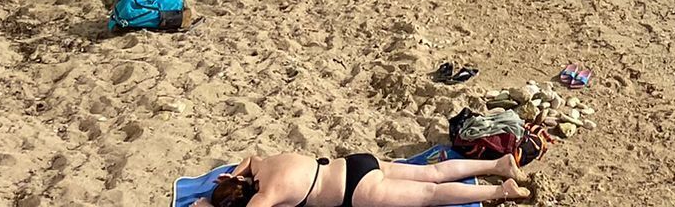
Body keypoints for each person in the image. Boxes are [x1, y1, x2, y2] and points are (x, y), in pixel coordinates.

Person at [207, 150, 529, 206]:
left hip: (355, 190)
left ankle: (501, 190)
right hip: (355, 163)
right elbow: (248, 159)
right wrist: (233, 174)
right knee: (431, 173)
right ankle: (498, 164)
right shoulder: (264, 167)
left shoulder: (265, 197)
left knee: (431, 194)